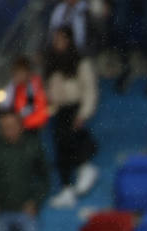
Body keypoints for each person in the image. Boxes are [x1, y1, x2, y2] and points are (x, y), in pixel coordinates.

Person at [45, 25, 100, 209]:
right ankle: (66, 188)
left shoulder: (80, 62)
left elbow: (89, 90)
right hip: (59, 109)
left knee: (73, 138)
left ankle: (86, 167)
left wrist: (84, 113)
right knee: (60, 146)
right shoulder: (52, 63)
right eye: (56, 39)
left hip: (75, 106)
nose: (58, 43)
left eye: (62, 39)